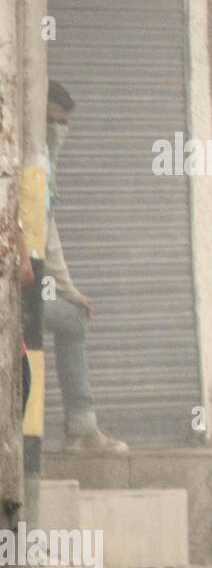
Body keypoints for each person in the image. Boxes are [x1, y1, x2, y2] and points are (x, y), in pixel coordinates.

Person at [42, 81, 128, 454]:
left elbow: (48, 237)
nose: (59, 132)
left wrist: (70, 291)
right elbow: (46, 240)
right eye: (53, 122)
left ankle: (82, 429)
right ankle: (81, 430)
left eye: (65, 125)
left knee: (71, 316)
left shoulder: (40, 167)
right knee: (72, 321)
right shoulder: (30, 163)